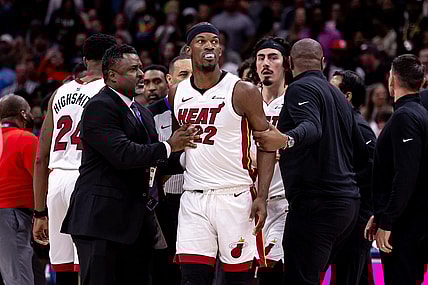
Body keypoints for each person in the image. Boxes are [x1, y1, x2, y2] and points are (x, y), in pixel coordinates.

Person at [60, 44, 197, 285]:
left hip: (134, 223)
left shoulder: (141, 112)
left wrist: (193, 158)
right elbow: (123, 155)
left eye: (140, 67)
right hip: (100, 222)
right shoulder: (99, 106)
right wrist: (169, 145)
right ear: (111, 75)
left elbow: (154, 161)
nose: (142, 75)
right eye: (134, 69)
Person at [253, 38, 368, 285]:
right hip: (347, 207)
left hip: (316, 206)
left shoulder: (298, 89)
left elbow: (311, 127)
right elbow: (362, 154)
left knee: (299, 279)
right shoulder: (338, 97)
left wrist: (285, 140)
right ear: (323, 62)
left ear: (290, 63)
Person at [169, 22, 276, 285]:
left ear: (221, 51)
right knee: (192, 279)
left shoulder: (242, 90)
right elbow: (177, 141)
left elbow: (267, 143)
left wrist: (261, 195)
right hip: (193, 197)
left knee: (238, 280)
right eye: (202, 41)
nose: (209, 46)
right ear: (188, 49)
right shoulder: (177, 93)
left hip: (235, 196)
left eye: (214, 42)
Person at [32, 33, 117, 285]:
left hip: (57, 182)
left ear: (84, 60)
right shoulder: (109, 90)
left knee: (63, 268)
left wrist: (39, 212)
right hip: (89, 180)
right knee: (90, 266)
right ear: (114, 61)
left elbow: (40, 157)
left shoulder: (59, 93)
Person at [366, 54, 428, 284]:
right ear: (421, 82)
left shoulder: (405, 117)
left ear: (392, 80)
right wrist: (380, 214)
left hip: (405, 225)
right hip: (410, 220)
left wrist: (387, 221)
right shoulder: (419, 113)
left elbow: (406, 175)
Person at [247, 36, 291, 283]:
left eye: (273, 57)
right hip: (247, 202)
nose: (266, 63)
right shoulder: (244, 103)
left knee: (272, 271)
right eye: (261, 58)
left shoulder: (294, 103)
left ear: (286, 64)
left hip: (284, 202)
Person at [147, 54, 193, 285]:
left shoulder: (210, 107)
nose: (188, 81)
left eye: (192, 75)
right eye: (183, 75)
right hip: (165, 200)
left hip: (199, 197)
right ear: (170, 79)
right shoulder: (150, 113)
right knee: (165, 265)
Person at [330, 70, 376, 285]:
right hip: (348, 213)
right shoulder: (342, 125)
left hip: (358, 217)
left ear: (347, 96)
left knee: (347, 276)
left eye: (332, 88)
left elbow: (373, 171)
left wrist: (340, 182)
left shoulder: (359, 128)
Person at [0, 94, 38, 285]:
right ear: (23, 114)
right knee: (19, 278)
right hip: (11, 215)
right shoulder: (26, 138)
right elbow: (40, 180)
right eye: (29, 112)